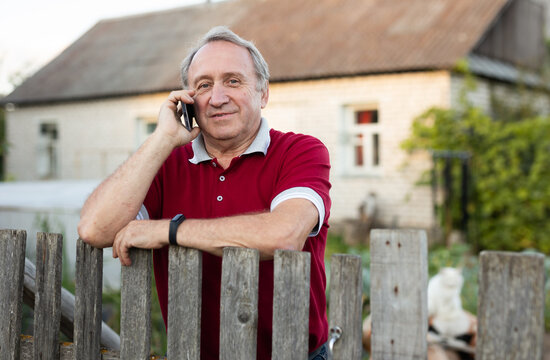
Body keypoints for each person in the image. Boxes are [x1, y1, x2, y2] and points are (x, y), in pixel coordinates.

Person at [78, 26, 331, 360]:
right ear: (188, 100)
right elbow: (95, 229)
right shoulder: (165, 162)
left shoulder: (300, 151)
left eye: (233, 81)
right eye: (204, 85)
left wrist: (168, 230)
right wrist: (161, 140)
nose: (217, 97)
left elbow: (283, 236)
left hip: (295, 354)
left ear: (263, 93)